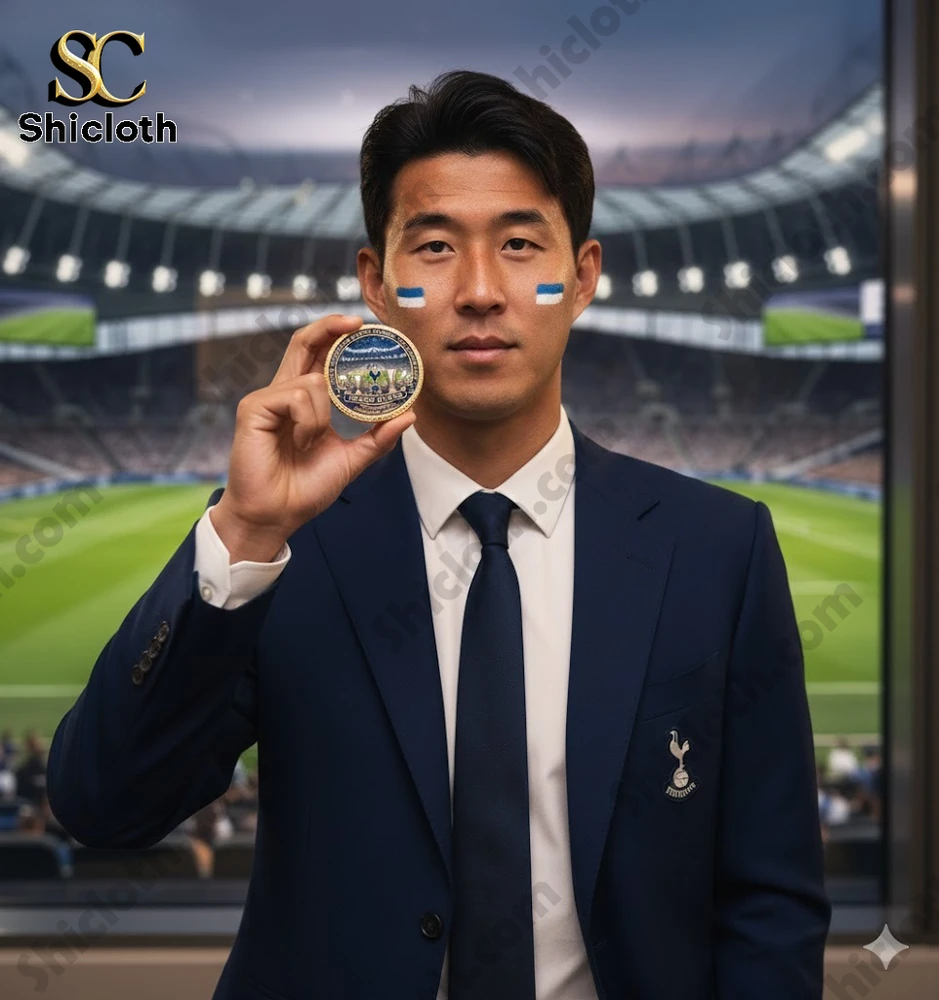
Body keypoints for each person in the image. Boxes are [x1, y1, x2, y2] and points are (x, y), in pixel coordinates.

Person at [46, 69, 830, 1000]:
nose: (480, 291)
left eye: (518, 244)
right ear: (376, 284)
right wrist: (245, 529)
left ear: (580, 278)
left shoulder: (717, 549)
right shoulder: (295, 548)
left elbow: (770, 900)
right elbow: (105, 806)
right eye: (433, 247)